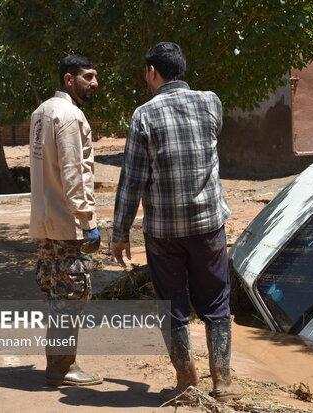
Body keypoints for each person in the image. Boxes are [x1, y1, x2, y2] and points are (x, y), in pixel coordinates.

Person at [111, 42, 242, 402]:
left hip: (164, 232)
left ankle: (186, 383)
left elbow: (132, 180)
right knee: (217, 302)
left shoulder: (144, 116)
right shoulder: (211, 102)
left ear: (152, 72)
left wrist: (120, 234)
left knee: (172, 304)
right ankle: (224, 382)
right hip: (208, 225)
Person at [29, 55, 102, 386]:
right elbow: (75, 174)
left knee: (58, 295)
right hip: (66, 223)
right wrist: (89, 222)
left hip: (45, 222)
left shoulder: (40, 112)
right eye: (88, 77)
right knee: (72, 294)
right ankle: (62, 368)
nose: (95, 83)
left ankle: (57, 365)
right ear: (69, 79)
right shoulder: (70, 115)